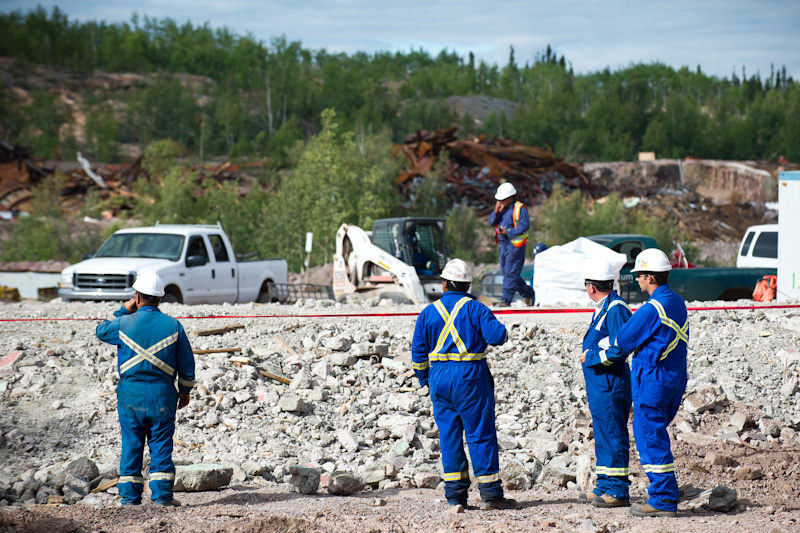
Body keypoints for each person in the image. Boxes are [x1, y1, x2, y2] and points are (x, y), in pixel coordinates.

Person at [411, 259, 518, 511]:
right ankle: (491, 495)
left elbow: (418, 353)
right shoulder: (476, 308)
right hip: (470, 378)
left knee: (449, 438)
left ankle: (455, 497)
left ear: (444, 283)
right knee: (480, 435)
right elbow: (496, 336)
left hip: (439, 380)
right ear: (467, 285)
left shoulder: (428, 312)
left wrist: (425, 380)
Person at [96, 271, 195, 507]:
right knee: (161, 445)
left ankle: (130, 499)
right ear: (160, 299)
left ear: (137, 297)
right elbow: (187, 363)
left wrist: (123, 309)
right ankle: (162, 498)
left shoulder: (123, 322)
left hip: (131, 395)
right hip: (162, 395)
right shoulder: (174, 325)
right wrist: (184, 391)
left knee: (132, 444)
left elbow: (101, 330)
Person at [610, 249, 688, 518]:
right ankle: (665, 493)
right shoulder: (677, 301)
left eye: (639, 276)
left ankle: (663, 499)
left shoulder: (652, 308)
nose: (637, 281)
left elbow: (623, 339)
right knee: (656, 435)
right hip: (673, 377)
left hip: (653, 379)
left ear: (648, 276)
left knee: (649, 437)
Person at [577, 260, 633, 508]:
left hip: (610, 383)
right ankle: (604, 484)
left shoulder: (615, 309)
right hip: (601, 384)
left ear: (591, 287)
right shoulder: (605, 307)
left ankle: (617, 490)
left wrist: (590, 357)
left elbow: (620, 349)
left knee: (613, 434)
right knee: (603, 434)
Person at [488, 182, 534, 307]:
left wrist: (508, 232)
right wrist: (496, 211)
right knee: (507, 272)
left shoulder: (520, 209)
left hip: (515, 246)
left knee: (510, 273)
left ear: (510, 197)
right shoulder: (502, 209)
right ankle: (528, 293)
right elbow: (491, 222)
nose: (501, 202)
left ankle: (506, 300)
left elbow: (525, 226)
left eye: (502, 200)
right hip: (503, 245)